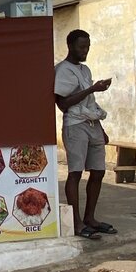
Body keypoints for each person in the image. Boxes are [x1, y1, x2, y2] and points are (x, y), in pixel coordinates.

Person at [54, 29, 117, 240]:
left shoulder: (85, 70)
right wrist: (92, 89)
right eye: (82, 47)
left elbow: (90, 103)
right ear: (71, 46)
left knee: (98, 171)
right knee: (75, 173)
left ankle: (90, 218)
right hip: (75, 125)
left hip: (92, 124)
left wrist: (102, 128)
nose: (85, 51)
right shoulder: (62, 70)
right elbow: (62, 103)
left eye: (88, 47)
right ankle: (77, 222)